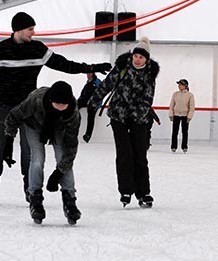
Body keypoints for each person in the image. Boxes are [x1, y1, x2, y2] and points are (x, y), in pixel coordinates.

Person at [0, 12, 111, 206]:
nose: (33, 33)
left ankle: (31, 190)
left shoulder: (37, 49)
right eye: (30, 29)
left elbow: (64, 64)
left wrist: (91, 67)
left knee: (29, 153)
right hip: (4, 107)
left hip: (29, 108)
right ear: (18, 28)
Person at [88, 37, 159, 208]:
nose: (137, 59)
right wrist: (94, 101)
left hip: (138, 119)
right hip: (118, 116)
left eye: (141, 57)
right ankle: (126, 190)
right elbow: (106, 85)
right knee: (124, 154)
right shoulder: (121, 68)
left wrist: (136, 115)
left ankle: (143, 193)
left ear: (146, 59)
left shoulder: (149, 74)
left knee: (140, 155)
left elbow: (147, 98)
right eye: (136, 56)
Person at [4, 81, 81, 225]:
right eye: (57, 104)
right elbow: (14, 116)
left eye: (63, 105)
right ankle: (35, 198)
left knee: (62, 158)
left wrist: (58, 174)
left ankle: (69, 200)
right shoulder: (36, 100)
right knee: (37, 159)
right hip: (33, 126)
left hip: (59, 128)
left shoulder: (72, 113)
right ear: (51, 100)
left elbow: (70, 148)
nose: (60, 108)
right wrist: (8, 141)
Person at [169, 79, 195, 153]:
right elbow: (171, 105)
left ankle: (184, 146)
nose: (179, 86)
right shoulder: (175, 94)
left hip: (185, 116)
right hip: (176, 115)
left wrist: (189, 116)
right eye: (178, 85)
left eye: (180, 84)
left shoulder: (190, 95)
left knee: (184, 132)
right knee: (174, 132)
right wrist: (171, 114)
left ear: (185, 86)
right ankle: (173, 146)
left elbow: (192, 107)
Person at [77, 72, 101, 142]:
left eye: (89, 74)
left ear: (93, 74)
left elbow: (101, 93)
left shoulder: (97, 82)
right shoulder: (87, 84)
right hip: (85, 102)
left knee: (91, 115)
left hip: (94, 102)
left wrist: (98, 103)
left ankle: (88, 135)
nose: (88, 75)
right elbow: (82, 94)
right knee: (74, 108)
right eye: (87, 74)